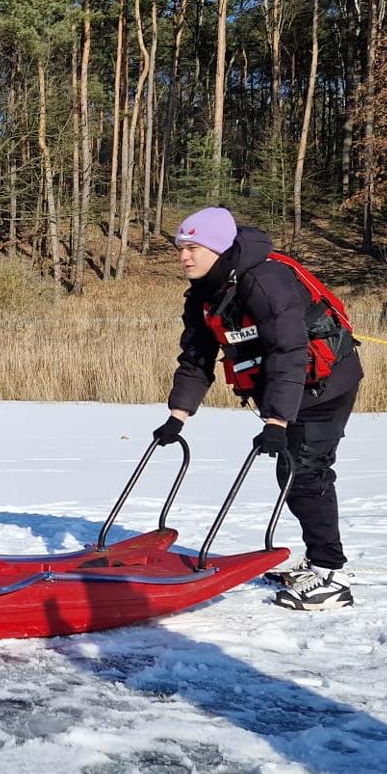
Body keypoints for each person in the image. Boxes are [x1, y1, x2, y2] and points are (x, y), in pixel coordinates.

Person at [151, 207, 364, 611]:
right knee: (294, 472)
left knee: (305, 473)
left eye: (193, 248)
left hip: (324, 385)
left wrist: (276, 421)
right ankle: (317, 562)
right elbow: (196, 357)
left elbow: (288, 351)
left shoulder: (265, 281)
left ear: (218, 248)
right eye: (180, 248)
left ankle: (331, 575)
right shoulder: (204, 292)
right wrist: (177, 416)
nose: (184, 257)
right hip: (287, 388)